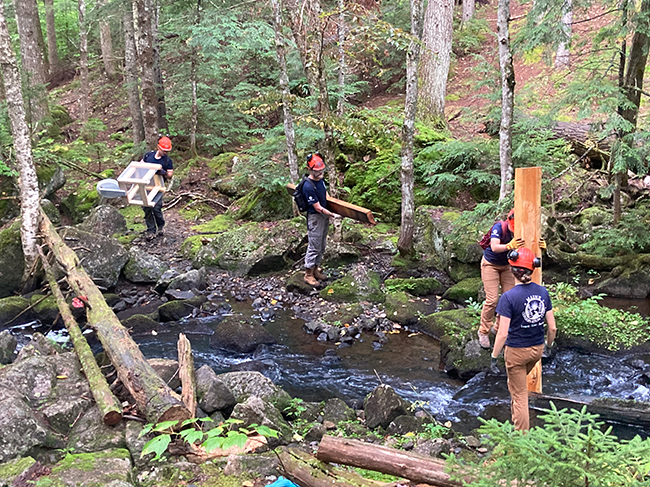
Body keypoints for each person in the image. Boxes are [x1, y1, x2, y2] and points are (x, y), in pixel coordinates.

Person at [491, 247, 557, 431]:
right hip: (536, 350)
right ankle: (517, 427)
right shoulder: (543, 292)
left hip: (516, 353)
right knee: (515, 386)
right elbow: (552, 327)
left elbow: (502, 333)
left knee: (519, 395)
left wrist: (494, 356)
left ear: (512, 269)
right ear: (532, 269)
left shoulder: (508, 297)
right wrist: (548, 345)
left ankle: (521, 440)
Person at [478, 209, 524, 349]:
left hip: (507, 266)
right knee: (492, 300)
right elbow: (494, 246)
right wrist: (508, 246)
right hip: (490, 264)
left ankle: (499, 328)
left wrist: (540, 245)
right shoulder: (500, 227)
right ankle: (483, 331)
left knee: (508, 299)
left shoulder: (523, 229)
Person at [301, 152, 340, 287]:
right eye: (317, 171)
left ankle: (316, 269)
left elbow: (325, 194)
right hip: (315, 218)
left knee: (322, 245)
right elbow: (317, 207)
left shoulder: (321, 180)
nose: (320, 173)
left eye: (321, 170)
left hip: (324, 216)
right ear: (310, 169)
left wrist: (335, 206)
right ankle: (308, 274)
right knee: (314, 246)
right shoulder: (308, 186)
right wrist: (332, 214)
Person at [141, 136, 173, 238]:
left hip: (158, 187)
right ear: (158, 147)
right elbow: (140, 165)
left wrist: (163, 172)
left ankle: (160, 226)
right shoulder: (148, 156)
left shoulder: (168, 161)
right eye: (164, 150)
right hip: (146, 185)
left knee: (156, 207)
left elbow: (170, 174)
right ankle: (151, 230)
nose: (165, 153)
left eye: (167, 151)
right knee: (146, 208)